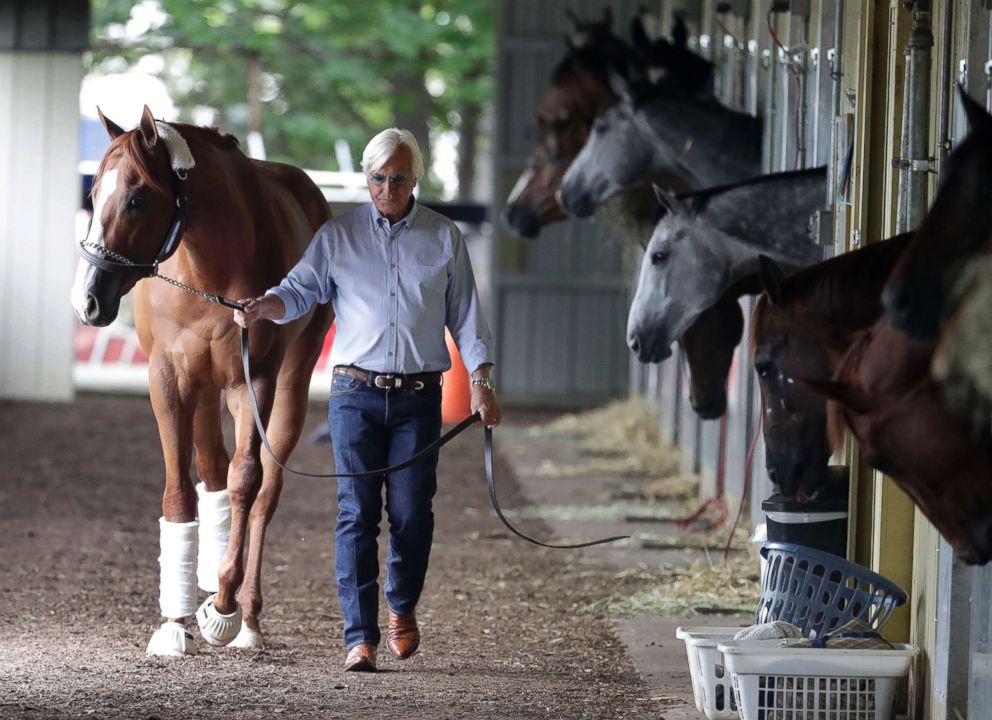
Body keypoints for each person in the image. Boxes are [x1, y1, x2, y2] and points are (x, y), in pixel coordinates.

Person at [234, 128, 501, 672]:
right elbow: (300, 289)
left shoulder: (444, 238)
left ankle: (401, 605)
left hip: (419, 397)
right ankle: (360, 636)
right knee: (356, 514)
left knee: (410, 513)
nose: (387, 188)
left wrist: (481, 380)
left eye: (398, 178)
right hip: (354, 395)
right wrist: (265, 306)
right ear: (367, 177)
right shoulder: (338, 237)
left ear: (415, 178)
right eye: (378, 178)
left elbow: (468, 315)